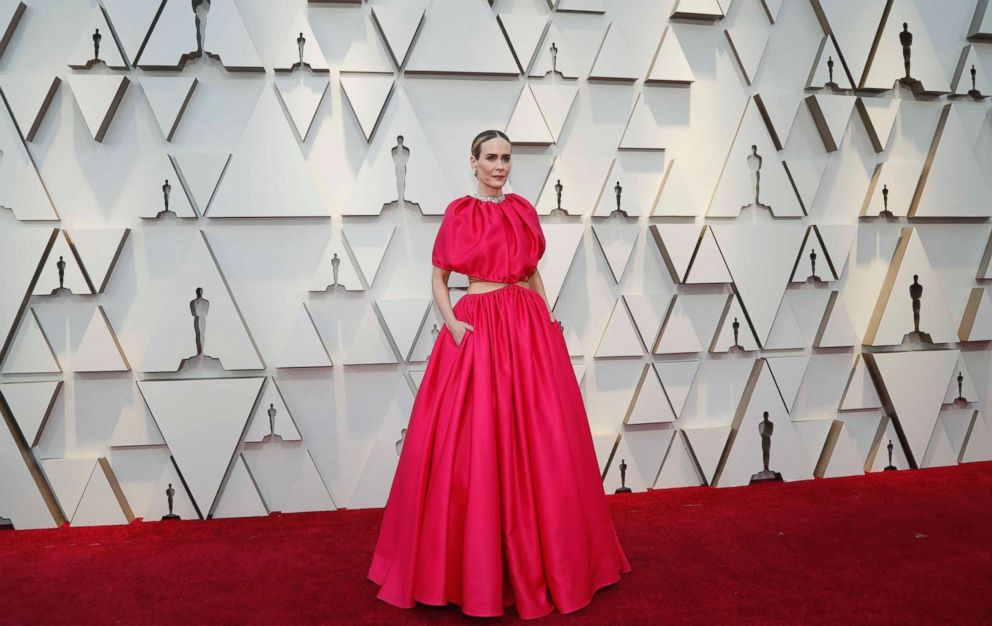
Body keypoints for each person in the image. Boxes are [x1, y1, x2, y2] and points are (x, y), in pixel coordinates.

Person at [367, 130, 632, 619]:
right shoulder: (459, 213)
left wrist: (547, 316)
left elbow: (531, 273)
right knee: (475, 441)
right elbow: (439, 276)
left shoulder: (523, 211)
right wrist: (453, 325)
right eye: (490, 157)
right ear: (473, 162)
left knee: (544, 437)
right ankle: (471, 568)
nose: (499, 165)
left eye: (506, 158)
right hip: (479, 325)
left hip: (526, 327)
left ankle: (556, 558)